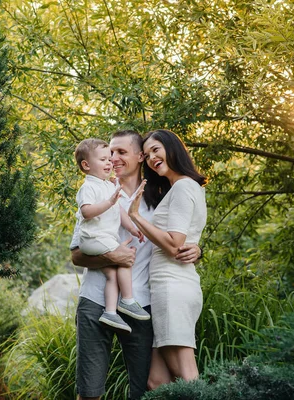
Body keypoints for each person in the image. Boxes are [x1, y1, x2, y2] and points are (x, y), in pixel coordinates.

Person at [71, 130, 201, 400]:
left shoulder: (160, 200)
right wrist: (112, 257)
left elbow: (175, 239)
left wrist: (196, 248)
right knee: (90, 391)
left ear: (140, 156)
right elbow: (76, 255)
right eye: (109, 153)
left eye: (121, 152)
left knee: (145, 390)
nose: (113, 159)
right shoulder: (97, 193)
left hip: (142, 304)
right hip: (95, 300)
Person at [127, 129, 207, 388]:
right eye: (147, 154)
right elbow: (185, 240)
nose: (151, 158)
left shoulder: (183, 186)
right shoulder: (175, 189)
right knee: (157, 381)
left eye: (156, 150)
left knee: (186, 375)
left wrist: (136, 216)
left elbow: (175, 244)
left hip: (174, 286)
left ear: (172, 148)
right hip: (164, 287)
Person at [74, 138, 150, 334]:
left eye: (115, 156)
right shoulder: (89, 187)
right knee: (123, 260)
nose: (111, 162)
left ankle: (110, 311)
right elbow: (87, 212)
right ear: (86, 165)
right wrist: (109, 201)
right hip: (93, 240)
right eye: (105, 158)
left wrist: (133, 228)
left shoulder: (109, 186)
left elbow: (119, 212)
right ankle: (127, 300)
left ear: (140, 157)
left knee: (112, 273)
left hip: (104, 240)